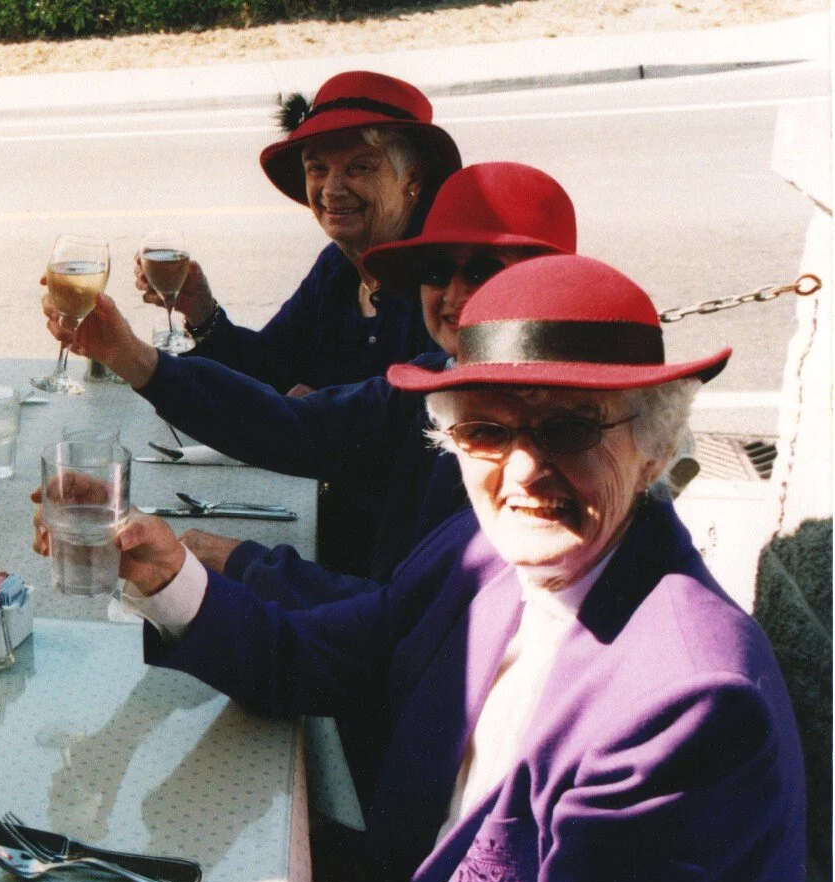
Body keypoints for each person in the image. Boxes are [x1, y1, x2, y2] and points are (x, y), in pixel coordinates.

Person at [39, 254, 805, 882]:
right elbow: (313, 655)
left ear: (655, 448)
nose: (523, 468)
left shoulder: (692, 704)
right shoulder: (481, 553)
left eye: (569, 430)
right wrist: (166, 574)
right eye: (486, 431)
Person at [55, 162, 576, 603]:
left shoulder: (552, 445)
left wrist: (243, 566)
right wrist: (128, 354)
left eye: (484, 273)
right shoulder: (434, 380)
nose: (455, 294)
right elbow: (286, 422)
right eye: (436, 270)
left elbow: (407, 621)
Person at [150, 70, 461, 395]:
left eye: (359, 167)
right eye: (318, 168)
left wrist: (317, 415)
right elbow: (269, 364)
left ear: (411, 180)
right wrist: (201, 311)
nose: (332, 189)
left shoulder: (441, 273)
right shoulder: (338, 266)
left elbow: (419, 417)